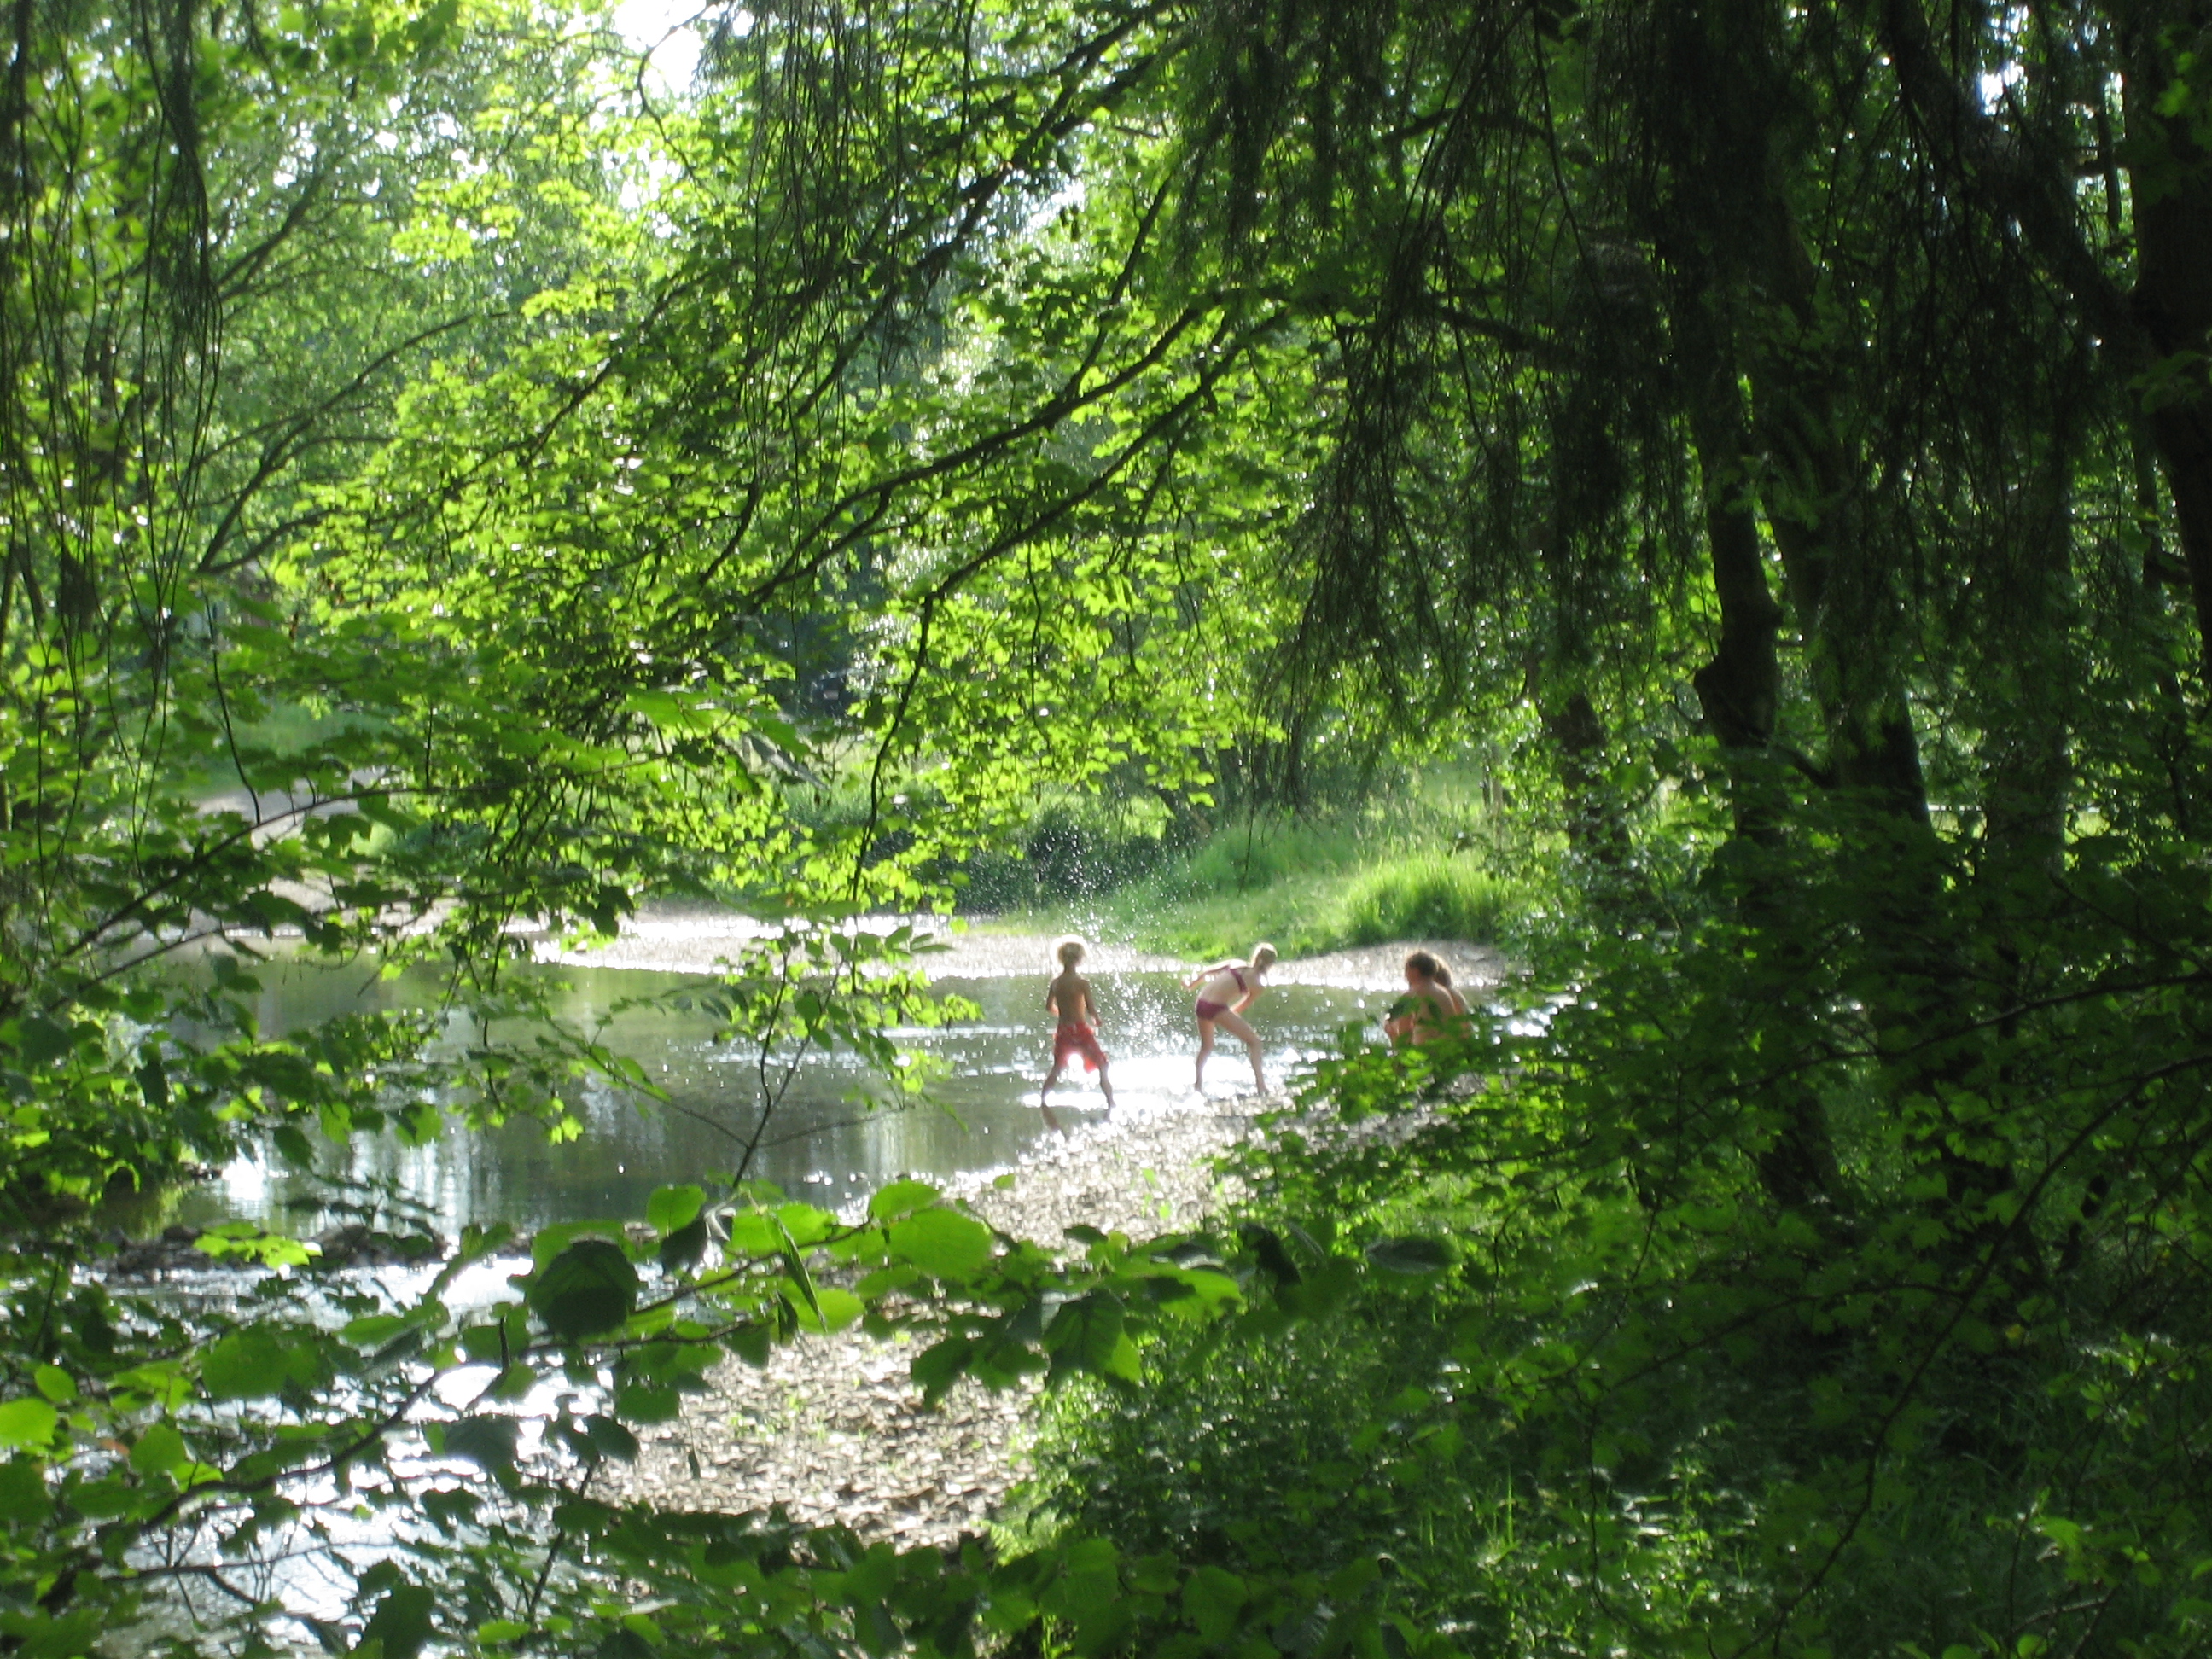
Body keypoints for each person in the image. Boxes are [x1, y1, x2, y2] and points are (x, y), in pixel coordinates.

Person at [1040, 936, 1115, 1126]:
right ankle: (1110, 1103)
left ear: (1060, 958)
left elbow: (1048, 1007)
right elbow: (1091, 1008)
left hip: (1063, 1030)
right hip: (1080, 1030)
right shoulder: (1082, 983)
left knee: (1057, 1068)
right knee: (1102, 1065)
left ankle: (1043, 1101)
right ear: (1080, 959)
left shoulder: (1056, 983)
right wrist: (1096, 1019)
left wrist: (1062, 1013)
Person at [1185, 942, 1277, 1092]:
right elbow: (1240, 1008)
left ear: (1255, 956)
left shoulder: (1236, 964)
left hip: (1201, 1002)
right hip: (1216, 1008)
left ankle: (1198, 1085)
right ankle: (1261, 1086)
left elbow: (1207, 972)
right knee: (1255, 1042)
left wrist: (1191, 985)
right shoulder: (1257, 985)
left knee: (1206, 1046)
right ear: (1270, 965)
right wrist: (1226, 1018)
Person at [1384, 949, 1470, 1046]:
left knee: (1390, 1025)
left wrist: (1392, 1034)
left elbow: (1404, 1035)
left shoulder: (1410, 996)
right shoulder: (1445, 993)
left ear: (1415, 971)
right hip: (1449, 1048)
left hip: (1426, 1051)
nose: (1405, 976)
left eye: (1406, 971)